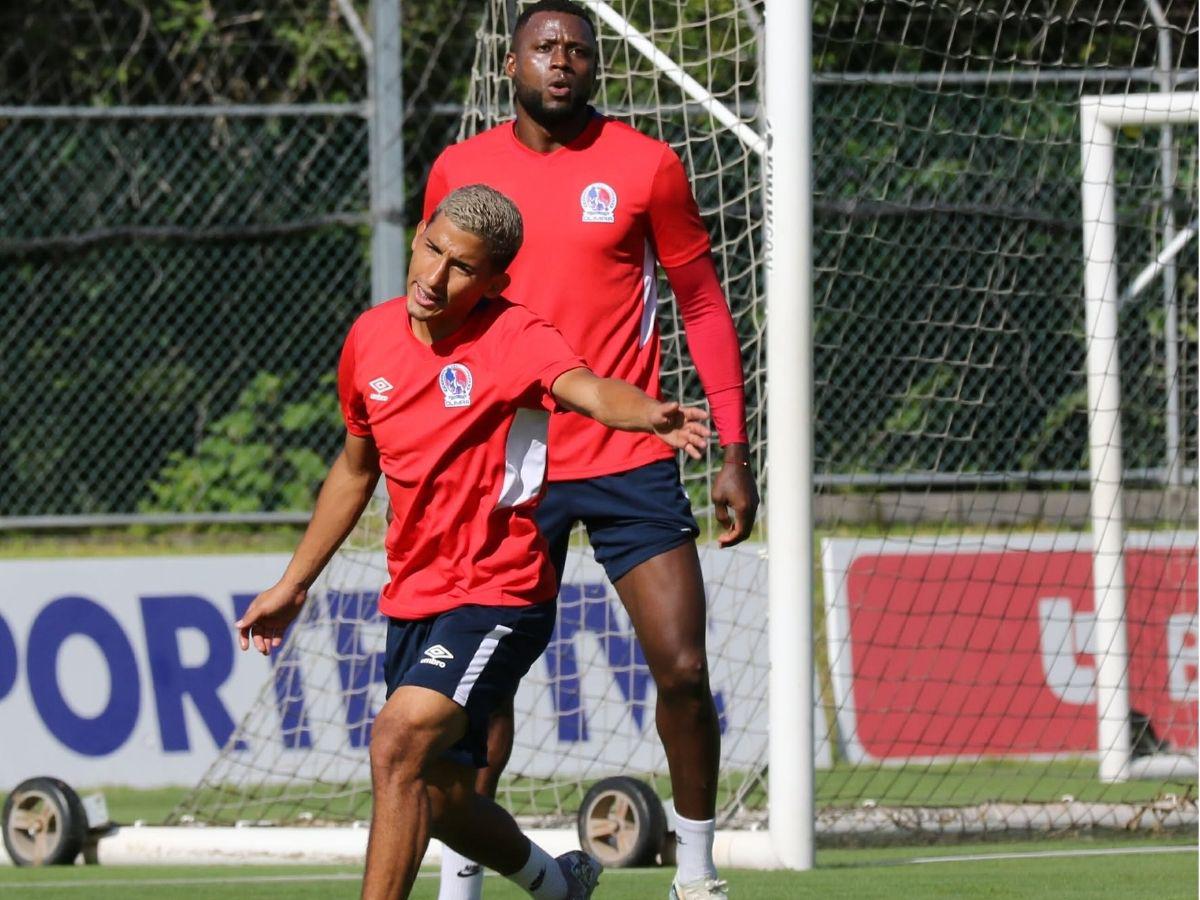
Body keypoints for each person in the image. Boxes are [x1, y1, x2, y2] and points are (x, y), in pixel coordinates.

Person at [235, 183, 711, 900]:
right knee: (443, 797)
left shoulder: (516, 336)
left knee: (397, 741)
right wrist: (294, 582)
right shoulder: (369, 337)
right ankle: (556, 884)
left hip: (496, 592)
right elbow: (355, 468)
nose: (433, 276)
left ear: (494, 281)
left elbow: (586, 389)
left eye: (460, 267)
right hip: (414, 595)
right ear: (420, 231)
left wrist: (647, 412)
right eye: (430, 248)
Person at [423, 3, 759, 899]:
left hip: (627, 456)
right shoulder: (461, 171)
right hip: (505, 465)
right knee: (480, 696)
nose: (561, 62)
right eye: (545, 48)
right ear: (511, 64)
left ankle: (696, 872)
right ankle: (465, 883)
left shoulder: (646, 165)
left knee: (684, 671)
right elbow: (435, 313)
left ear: (596, 68)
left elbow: (701, 304)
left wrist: (734, 447)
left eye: (578, 50)